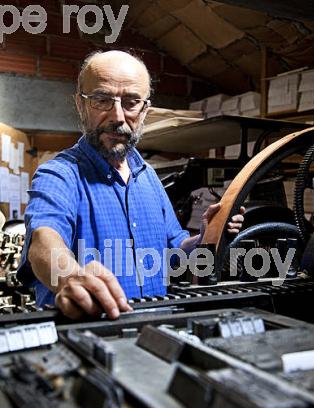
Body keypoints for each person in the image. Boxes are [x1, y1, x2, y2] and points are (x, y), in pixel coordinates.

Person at [17, 50, 244, 320]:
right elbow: (44, 242)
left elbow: (174, 251)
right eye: (102, 100)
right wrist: (70, 277)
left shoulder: (148, 177)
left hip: (156, 337)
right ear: (80, 104)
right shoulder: (59, 174)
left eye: (131, 102)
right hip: (92, 341)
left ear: (145, 109)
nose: (118, 117)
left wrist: (206, 236)